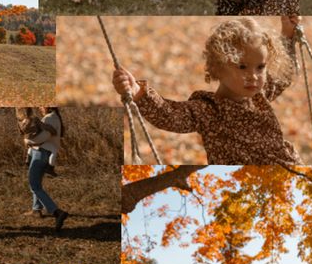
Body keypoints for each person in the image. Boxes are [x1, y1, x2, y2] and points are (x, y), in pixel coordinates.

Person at [112, 16, 302, 165]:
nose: (253, 76)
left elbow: (281, 78)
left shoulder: (258, 95)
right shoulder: (208, 110)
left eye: (260, 67)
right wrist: (137, 92)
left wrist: (287, 34)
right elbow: (170, 115)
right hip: (243, 186)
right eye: (242, 67)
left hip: (288, 171)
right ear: (217, 68)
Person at [25, 106, 68, 231]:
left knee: (34, 185)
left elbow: (43, 137)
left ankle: (56, 212)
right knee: (37, 183)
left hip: (41, 152)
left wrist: (28, 140)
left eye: (42, 104)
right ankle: (36, 209)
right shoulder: (51, 117)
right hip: (39, 151)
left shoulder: (50, 118)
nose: (40, 107)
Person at [17, 107, 57, 176]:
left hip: (26, 139)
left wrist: (26, 137)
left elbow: (21, 132)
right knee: (53, 149)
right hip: (34, 138)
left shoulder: (20, 121)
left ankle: (28, 159)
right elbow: (43, 126)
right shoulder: (34, 119)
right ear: (31, 111)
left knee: (33, 145)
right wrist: (52, 130)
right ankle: (50, 168)